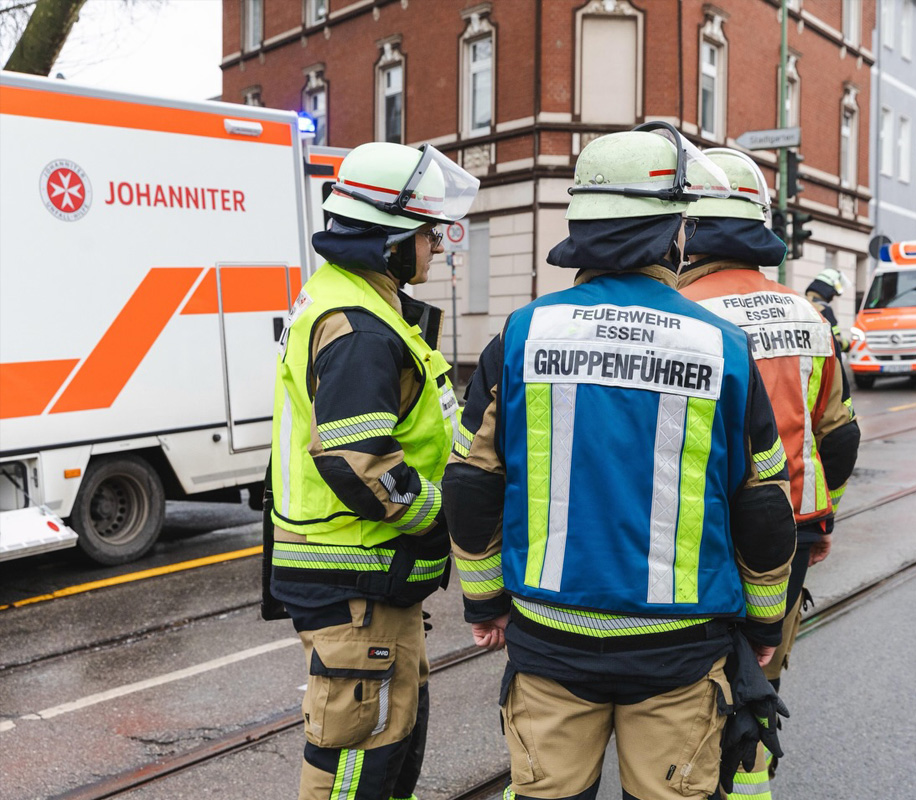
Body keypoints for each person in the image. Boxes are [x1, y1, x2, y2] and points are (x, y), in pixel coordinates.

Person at [442, 124, 797, 800]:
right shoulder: (723, 348)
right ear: (673, 234)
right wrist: (761, 624)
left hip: (550, 641)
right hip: (680, 650)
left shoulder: (520, 335)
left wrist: (486, 600)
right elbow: (763, 506)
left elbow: (469, 483)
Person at [265, 141, 478, 800]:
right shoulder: (358, 325)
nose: (437, 246)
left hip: (361, 574)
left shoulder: (351, 301)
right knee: (358, 754)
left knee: (389, 740)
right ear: (389, 240)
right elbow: (360, 464)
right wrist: (438, 521)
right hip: (356, 574)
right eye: (425, 232)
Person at [676, 148, 861, 797]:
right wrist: (825, 511)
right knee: (764, 669)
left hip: (698, 534)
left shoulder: (677, 313)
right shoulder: (808, 315)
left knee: (691, 679)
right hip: (792, 530)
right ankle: (752, 776)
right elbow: (839, 434)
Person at [805, 267, 850, 351]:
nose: (832, 298)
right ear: (827, 290)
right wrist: (847, 345)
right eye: (832, 294)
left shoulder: (801, 304)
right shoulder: (825, 309)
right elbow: (835, 341)